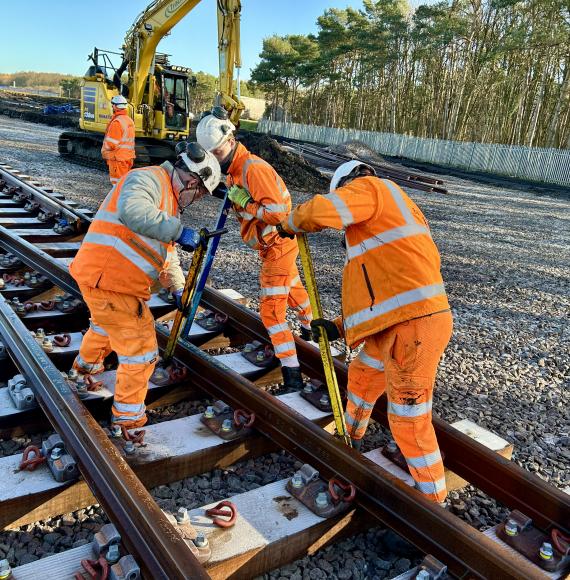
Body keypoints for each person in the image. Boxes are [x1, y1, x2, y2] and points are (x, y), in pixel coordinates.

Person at [277, 160, 453, 504]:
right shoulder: (390, 218)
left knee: (408, 418)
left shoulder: (373, 188)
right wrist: (339, 327)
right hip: (397, 323)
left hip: (413, 325)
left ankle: (432, 508)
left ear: (347, 184)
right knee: (362, 375)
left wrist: (291, 222)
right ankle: (350, 441)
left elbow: (323, 211)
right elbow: (380, 295)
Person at [69, 143, 221, 428]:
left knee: (105, 326)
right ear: (192, 181)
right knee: (141, 351)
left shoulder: (169, 204)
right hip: (112, 280)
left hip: (105, 279)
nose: (196, 199)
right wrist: (179, 231)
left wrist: (177, 288)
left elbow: (168, 256)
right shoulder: (147, 179)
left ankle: (83, 372)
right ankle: (128, 423)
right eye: (199, 194)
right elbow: (133, 210)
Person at [196, 107, 313, 390]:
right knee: (293, 289)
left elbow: (277, 213)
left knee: (271, 313)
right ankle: (312, 331)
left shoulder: (253, 169)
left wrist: (245, 203)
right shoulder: (236, 170)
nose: (216, 158)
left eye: (218, 153)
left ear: (230, 141)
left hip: (278, 246)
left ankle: (292, 375)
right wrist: (233, 195)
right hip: (272, 247)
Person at [101, 95, 136, 185]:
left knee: (117, 185)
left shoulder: (117, 122)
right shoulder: (129, 120)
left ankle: (117, 199)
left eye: (112, 105)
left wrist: (104, 150)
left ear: (115, 107)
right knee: (124, 183)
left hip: (118, 159)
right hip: (127, 158)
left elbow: (111, 144)